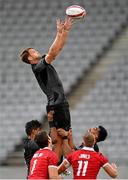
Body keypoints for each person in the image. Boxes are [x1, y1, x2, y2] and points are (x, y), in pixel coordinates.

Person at [20, 16, 75, 162]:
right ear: (30, 59)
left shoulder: (41, 64)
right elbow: (53, 52)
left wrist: (65, 31)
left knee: (59, 139)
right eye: (33, 51)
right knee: (63, 138)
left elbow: (58, 49)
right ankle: (59, 168)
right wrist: (59, 33)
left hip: (55, 104)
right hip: (58, 103)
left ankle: (55, 168)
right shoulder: (37, 67)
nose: (37, 51)